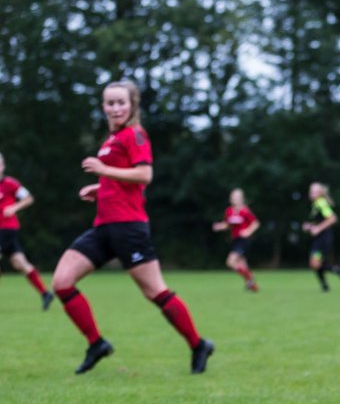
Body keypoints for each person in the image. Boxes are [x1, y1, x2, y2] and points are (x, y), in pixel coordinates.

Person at [51, 81, 215, 375]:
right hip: (103, 228)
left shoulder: (135, 134)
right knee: (62, 282)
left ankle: (198, 344)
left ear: (132, 105)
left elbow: (144, 175)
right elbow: (121, 180)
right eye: (109, 103)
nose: (115, 108)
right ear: (103, 106)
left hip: (129, 228)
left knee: (155, 292)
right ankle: (96, 343)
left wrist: (103, 172)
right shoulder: (111, 140)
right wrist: (100, 188)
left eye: (120, 103)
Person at [0, 152, 55, 310]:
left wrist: (14, 207)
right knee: (20, 263)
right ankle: (45, 293)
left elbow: (28, 198)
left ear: (3, 166)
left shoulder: (11, 184)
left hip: (7, 229)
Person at [212, 188, 260, 291]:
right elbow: (228, 225)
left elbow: (256, 223)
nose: (235, 199)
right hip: (235, 240)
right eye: (233, 197)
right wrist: (220, 226)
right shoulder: (229, 211)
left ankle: (250, 278)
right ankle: (252, 285)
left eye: (237, 197)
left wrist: (248, 231)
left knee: (230, 262)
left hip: (244, 241)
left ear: (242, 198)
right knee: (242, 264)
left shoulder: (245, 211)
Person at [303, 182, 340, 292]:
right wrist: (310, 226)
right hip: (319, 238)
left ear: (320, 193)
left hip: (323, 239)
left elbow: (332, 218)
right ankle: (333, 276)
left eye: (314, 191)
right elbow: (320, 221)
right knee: (316, 264)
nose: (311, 193)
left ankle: (336, 273)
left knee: (315, 263)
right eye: (311, 191)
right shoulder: (315, 204)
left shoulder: (321, 203)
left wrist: (318, 229)